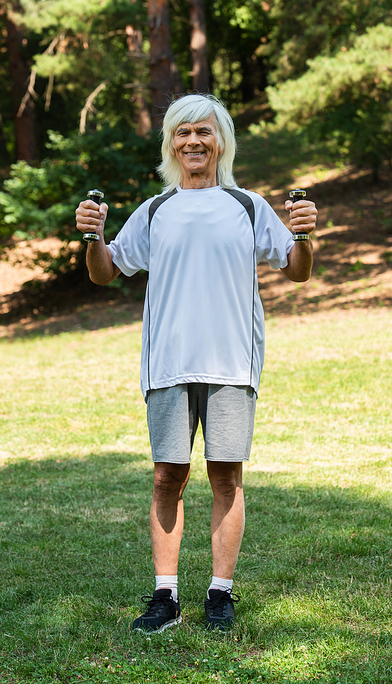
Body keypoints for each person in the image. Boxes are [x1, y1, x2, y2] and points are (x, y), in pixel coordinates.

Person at [75, 93, 317, 634]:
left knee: (225, 476)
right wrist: (93, 236)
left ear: (220, 141)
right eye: (182, 134)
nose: (193, 142)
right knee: (168, 477)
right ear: (171, 144)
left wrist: (302, 233)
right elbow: (104, 271)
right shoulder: (156, 209)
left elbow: (296, 271)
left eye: (203, 132)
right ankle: (165, 595)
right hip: (168, 365)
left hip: (232, 363)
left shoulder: (249, 205)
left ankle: (220, 593)